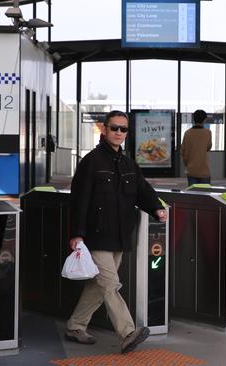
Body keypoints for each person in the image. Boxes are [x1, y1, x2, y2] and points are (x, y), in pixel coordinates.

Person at [66, 110, 167, 354]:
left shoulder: (128, 163)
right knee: (110, 284)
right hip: (96, 235)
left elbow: (142, 190)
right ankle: (127, 333)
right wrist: (77, 233)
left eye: (123, 129)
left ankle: (75, 325)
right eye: (114, 128)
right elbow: (79, 199)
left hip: (120, 235)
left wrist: (156, 208)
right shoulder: (91, 162)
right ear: (104, 129)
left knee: (99, 285)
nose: (119, 133)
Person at [181, 109, 212, 186]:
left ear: (193, 119)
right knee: (205, 196)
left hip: (191, 170)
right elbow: (208, 147)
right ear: (204, 120)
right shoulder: (208, 133)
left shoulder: (187, 133)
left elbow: (183, 151)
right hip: (204, 171)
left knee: (193, 196)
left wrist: (187, 164)